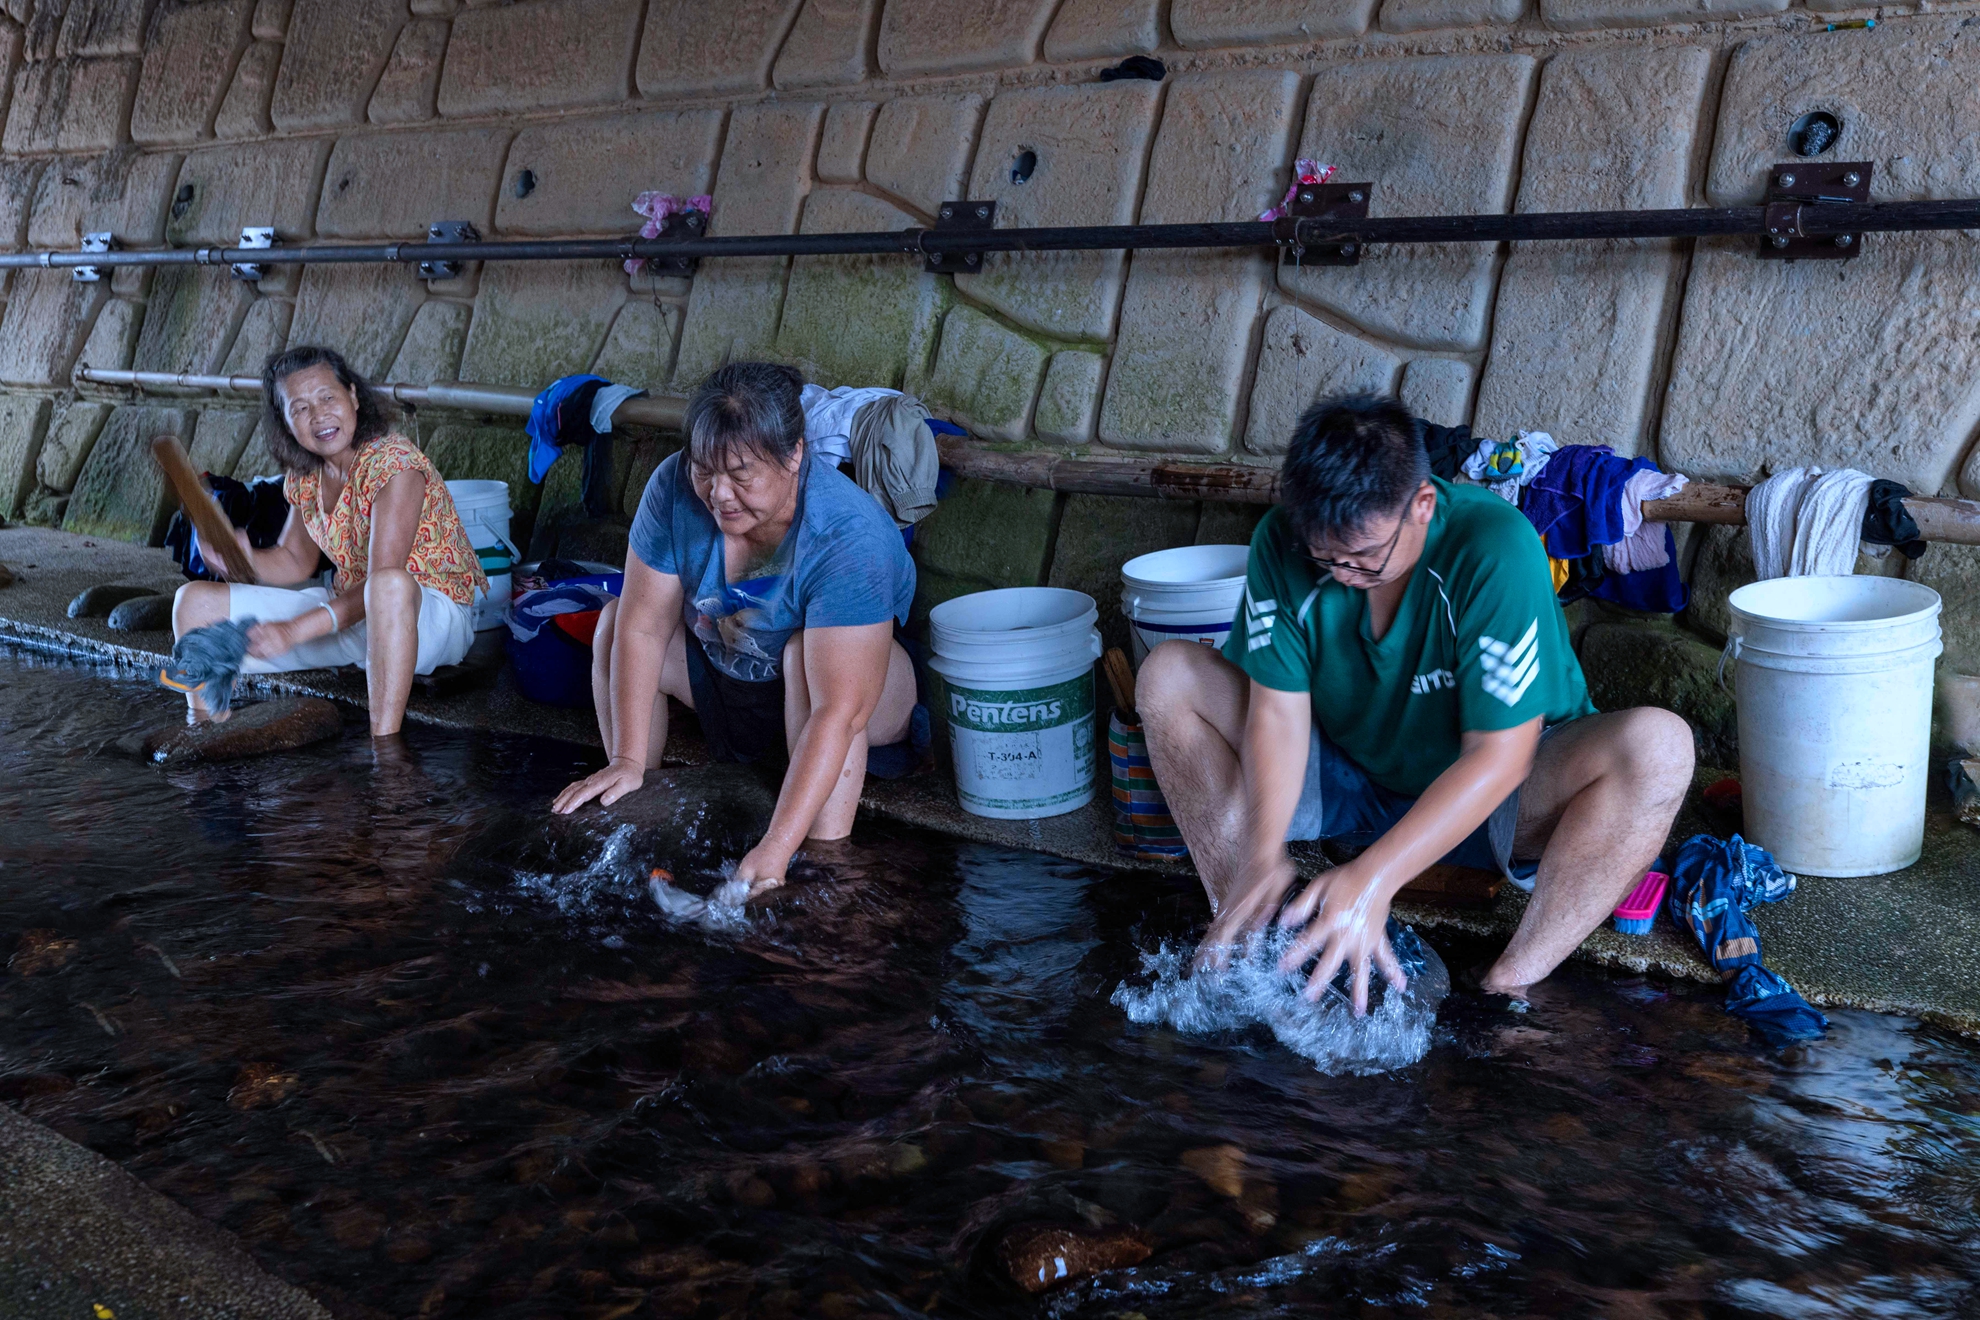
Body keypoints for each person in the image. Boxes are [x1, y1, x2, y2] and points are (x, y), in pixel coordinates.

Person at [1137, 394, 1694, 1010]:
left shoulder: (1495, 549)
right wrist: (1262, 852)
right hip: (1357, 774)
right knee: (1168, 677)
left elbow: (1500, 757)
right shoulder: (1283, 542)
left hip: (1501, 803)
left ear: (1422, 504)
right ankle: (1248, 934)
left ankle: (1509, 985)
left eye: (1366, 555)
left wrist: (1372, 881)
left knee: (1661, 747)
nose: (1345, 573)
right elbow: (1277, 710)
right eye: (1328, 557)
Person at [551, 362, 918, 894]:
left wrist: (777, 847)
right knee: (612, 623)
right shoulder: (673, 487)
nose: (719, 493)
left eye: (741, 474)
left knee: (804, 666)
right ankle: (634, 794)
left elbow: (841, 713)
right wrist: (628, 757)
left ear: (795, 454)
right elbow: (643, 627)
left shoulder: (848, 534)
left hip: (844, 704)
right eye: (705, 469)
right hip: (730, 682)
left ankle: (828, 864)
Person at [169, 345, 485, 737]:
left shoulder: (395, 464)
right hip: (351, 615)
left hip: (430, 619)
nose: (318, 416)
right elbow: (294, 560)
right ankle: (204, 734)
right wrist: (241, 558)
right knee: (194, 602)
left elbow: (381, 583)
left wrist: (293, 632)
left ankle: (384, 752)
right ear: (286, 422)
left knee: (387, 586)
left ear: (353, 396)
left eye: (327, 397)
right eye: (299, 408)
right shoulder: (307, 474)